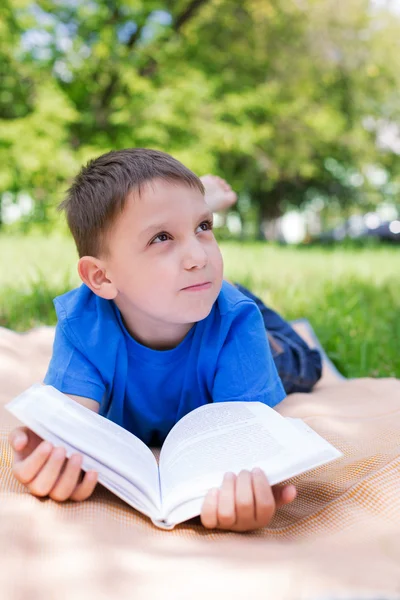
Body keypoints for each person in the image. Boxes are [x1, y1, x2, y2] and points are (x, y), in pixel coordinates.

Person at [8, 149, 319, 533]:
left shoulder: (236, 323)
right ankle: (194, 204)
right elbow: (71, 427)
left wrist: (254, 489)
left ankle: (239, 279)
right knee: (212, 287)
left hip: (228, 314)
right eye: (161, 237)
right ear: (101, 278)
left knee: (301, 362)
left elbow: (253, 446)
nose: (197, 256)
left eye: (204, 227)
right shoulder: (84, 324)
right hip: (199, 296)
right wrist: (49, 458)